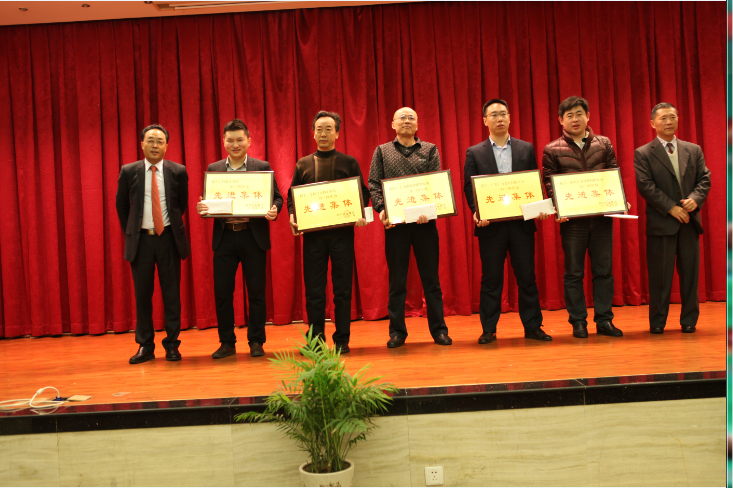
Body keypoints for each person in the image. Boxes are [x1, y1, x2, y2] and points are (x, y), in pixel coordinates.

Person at [463, 99, 552, 344]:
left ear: (510, 118)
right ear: (485, 121)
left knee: (527, 277)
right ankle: (488, 329)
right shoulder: (475, 152)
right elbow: (469, 187)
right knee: (491, 279)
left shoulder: (526, 148)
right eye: (493, 115)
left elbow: (534, 182)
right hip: (490, 226)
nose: (499, 118)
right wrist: (477, 211)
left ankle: (533, 327)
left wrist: (538, 207)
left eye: (503, 113)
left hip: (521, 224)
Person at [542, 96, 628, 339]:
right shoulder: (552, 149)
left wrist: (620, 198)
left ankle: (604, 320)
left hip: (601, 219)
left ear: (588, 116)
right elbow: (549, 183)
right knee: (573, 273)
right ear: (561, 120)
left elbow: (613, 172)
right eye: (569, 115)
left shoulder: (604, 143)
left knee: (604, 271)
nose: (575, 119)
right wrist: (559, 208)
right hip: (573, 223)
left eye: (579, 113)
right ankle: (578, 321)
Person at [196, 119, 283, 358]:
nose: (235, 144)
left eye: (240, 140)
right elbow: (208, 201)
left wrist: (274, 209)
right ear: (224, 142)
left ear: (249, 141)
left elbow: (277, 197)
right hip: (224, 237)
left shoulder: (261, 166)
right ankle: (227, 342)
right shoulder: (214, 169)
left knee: (256, 292)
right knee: (223, 293)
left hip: (252, 237)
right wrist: (203, 208)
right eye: (230, 140)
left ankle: (256, 341)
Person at [368, 107, 452, 348]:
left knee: (431, 280)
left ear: (417, 124)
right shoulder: (382, 151)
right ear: (393, 124)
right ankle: (397, 332)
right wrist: (382, 209)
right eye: (402, 118)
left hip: (425, 224)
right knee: (397, 281)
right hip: (396, 226)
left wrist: (431, 210)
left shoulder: (430, 149)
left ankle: (439, 330)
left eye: (411, 117)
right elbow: (373, 183)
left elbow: (436, 183)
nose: (406, 121)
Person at [287, 111, 369, 353]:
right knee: (314, 291)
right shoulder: (303, 164)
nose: (323, 133)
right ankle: (316, 342)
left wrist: (361, 214)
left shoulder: (349, 162)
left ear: (337, 134)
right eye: (319, 129)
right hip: (313, 237)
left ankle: (342, 340)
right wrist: (292, 215)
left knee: (342, 291)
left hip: (342, 237)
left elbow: (363, 194)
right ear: (313, 134)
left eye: (328, 129)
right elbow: (293, 197)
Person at [116, 124, 190, 363]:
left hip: (169, 239)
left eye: (160, 141)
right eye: (150, 141)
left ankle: (172, 345)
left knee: (172, 295)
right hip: (141, 242)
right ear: (142, 144)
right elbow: (121, 205)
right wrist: (132, 231)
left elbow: (181, 204)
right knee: (142, 295)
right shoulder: (129, 171)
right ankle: (145, 346)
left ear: (166, 145)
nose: (155, 145)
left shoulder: (178, 171)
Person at [634, 102, 711, 334]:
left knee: (690, 274)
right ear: (652, 123)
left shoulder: (693, 149)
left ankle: (689, 320)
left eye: (672, 117)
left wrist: (695, 199)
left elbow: (704, 179)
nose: (669, 122)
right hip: (661, 223)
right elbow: (645, 186)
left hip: (689, 222)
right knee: (660, 276)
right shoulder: (643, 153)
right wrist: (671, 208)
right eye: (663, 118)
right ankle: (658, 322)